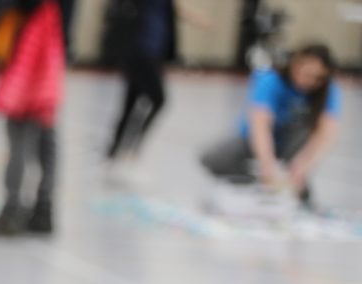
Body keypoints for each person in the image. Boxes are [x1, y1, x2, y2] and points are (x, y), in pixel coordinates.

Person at [201, 43, 342, 204]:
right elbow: (260, 127)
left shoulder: (327, 90)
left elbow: (327, 132)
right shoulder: (271, 80)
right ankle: (252, 184)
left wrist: (304, 165)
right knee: (213, 157)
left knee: (302, 151)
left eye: (317, 78)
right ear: (294, 65)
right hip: (254, 140)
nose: (307, 81)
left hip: (292, 144)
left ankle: (297, 191)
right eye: (305, 73)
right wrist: (267, 166)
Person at [0, 0, 63, 235]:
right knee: (45, 140)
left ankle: (12, 212)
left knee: (21, 141)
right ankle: (42, 210)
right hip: (48, 54)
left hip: (31, 57)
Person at [103, 0, 211, 177]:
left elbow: (175, 10)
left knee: (130, 104)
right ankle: (129, 151)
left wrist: (196, 19)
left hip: (154, 54)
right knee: (159, 99)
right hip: (138, 52)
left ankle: (114, 153)